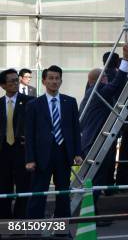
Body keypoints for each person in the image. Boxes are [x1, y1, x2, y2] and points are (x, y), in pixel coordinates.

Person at [25, 65, 83, 219]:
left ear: (61, 81)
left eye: (57, 78)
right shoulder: (34, 104)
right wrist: (30, 159)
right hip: (41, 155)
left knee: (63, 193)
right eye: (50, 78)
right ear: (44, 81)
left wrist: (78, 152)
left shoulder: (70, 102)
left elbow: (76, 130)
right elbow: (29, 134)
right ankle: (33, 228)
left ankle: (62, 229)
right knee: (39, 193)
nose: (54, 81)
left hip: (64, 153)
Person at [80, 45, 128, 205]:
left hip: (90, 139)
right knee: (97, 178)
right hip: (97, 141)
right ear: (102, 79)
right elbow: (116, 85)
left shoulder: (89, 91)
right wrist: (126, 60)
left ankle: (91, 212)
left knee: (94, 178)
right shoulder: (99, 91)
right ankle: (92, 213)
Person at [0, 69, 31, 219]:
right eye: (11, 81)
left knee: (23, 186)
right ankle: (5, 219)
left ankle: (20, 220)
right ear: (3, 85)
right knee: (3, 186)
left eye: (16, 80)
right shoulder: (0, 104)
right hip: (3, 151)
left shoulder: (29, 101)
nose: (15, 83)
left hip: (22, 150)